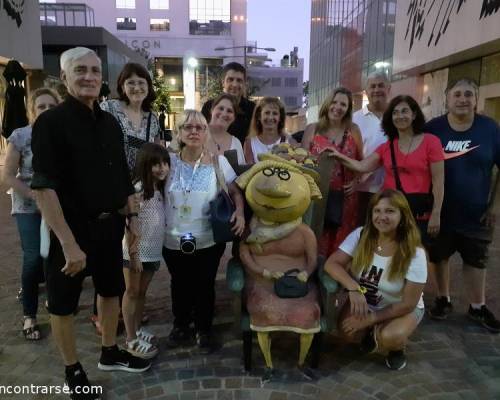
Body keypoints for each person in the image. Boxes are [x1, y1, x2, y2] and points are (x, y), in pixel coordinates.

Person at [31, 47, 150, 400]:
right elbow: (44, 187)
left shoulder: (109, 122)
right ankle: (72, 370)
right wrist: (67, 242)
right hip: (69, 230)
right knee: (63, 303)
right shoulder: (50, 123)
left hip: (108, 226)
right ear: (64, 77)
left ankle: (109, 350)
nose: (88, 76)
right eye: (79, 70)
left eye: (95, 70)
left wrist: (131, 223)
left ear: (102, 78)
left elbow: (122, 180)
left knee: (110, 290)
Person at [162, 110, 245, 354]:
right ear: (178, 133)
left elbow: (236, 192)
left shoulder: (218, 161)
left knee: (205, 284)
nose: (194, 132)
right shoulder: (168, 161)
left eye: (199, 127)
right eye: (188, 127)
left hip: (208, 238)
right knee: (179, 283)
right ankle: (181, 325)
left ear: (206, 133)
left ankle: (204, 329)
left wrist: (239, 212)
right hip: (174, 237)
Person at [424, 79, 500, 333]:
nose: (463, 99)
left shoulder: (489, 128)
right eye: (457, 94)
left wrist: (494, 206)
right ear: (447, 99)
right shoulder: (433, 129)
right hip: (440, 211)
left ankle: (477, 306)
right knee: (439, 256)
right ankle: (443, 298)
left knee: (476, 260)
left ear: (476, 99)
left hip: (477, 213)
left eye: (469, 94)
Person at [325, 189, 427, 370]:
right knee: (346, 332)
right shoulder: (361, 235)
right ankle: (370, 333)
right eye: (377, 211)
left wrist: (370, 319)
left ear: (402, 215)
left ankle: (397, 349)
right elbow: (332, 264)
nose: (382, 217)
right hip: (367, 301)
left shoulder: (415, 253)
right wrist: (353, 288)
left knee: (390, 337)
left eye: (390, 211)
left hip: (400, 307)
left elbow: (408, 304)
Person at [331, 95, 444, 246]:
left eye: (405, 111)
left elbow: (439, 181)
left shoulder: (431, 142)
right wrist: (337, 155)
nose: (400, 116)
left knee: (418, 259)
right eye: (395, 113)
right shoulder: (387, 146)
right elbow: (362, 166)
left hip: (419, 215)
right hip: (391, 215)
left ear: (414, 114)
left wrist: (436, 214)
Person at [2, 87, 60, 341]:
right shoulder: (21, 136)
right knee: (33, 257)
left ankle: (53, 302)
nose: (46, 111)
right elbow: (7, 176)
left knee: (52, 257)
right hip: (28, 206)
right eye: (41, 107)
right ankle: (29, 314)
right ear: (32, 110)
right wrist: (34, 194)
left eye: (51, 107)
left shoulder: (64, 134)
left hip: (56, 205)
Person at [122, 143, 170, 359]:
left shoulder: (159, 189)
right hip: (135, 253)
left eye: (165, 163)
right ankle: (130, 337)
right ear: (145, 165)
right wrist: (134, 255)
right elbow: (129, 224)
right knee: (132, 292)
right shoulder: (138, 189)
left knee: (142, 293)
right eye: (156, 164)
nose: (162, 168)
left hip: (151, 251)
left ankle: (138, 328)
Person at [301, 87, 363, 256]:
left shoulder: (354, 130)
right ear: (327, 104)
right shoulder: (312, 129)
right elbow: (302, 161)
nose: (337, 107)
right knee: (316, 233)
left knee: (342, 239)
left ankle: (334, 274)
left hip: (346, 197)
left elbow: (361, 162)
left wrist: (357, 183)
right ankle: (314, 272)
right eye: (334, 102)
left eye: (343, 104)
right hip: (317, 195)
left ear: (348, 109)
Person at [101, 62, 161, 172]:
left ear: (148, 86)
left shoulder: (152, 119)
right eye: (131, 83)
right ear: (122, 87)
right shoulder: (108, 108)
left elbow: (157, 153)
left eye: (141, 82)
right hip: (112, 180)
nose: (137, 88)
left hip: (142, 184)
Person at [352, 72, 391, 224]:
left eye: (381, 85)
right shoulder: (355, 119)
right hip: (362, 191)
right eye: (372, 86)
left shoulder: (397, 117)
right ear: (366, 91)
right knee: (362, 233)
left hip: (391, 190)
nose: (376, 90)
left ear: (389, 88)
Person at [202, 62, 256, 144]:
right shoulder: (208, 106)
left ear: (244, 84)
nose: (234, 84)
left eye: (239, 80)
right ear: (223, 82)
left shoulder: (253, 109)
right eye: (230, 79)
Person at [244, 97, 295, 164]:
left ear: (280, 118)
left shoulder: (288, 141)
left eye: (275, 113)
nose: (270, 117)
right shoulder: (249, 143)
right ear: (259, 116)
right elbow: (249, 171)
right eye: (267, 113)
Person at [205, 93, 245, 165]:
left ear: (234, 118)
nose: (224, 114)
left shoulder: (236, 143)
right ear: (212, 110)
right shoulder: (197, 135)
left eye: (229, 111)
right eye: (221, 108)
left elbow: (242, 175)